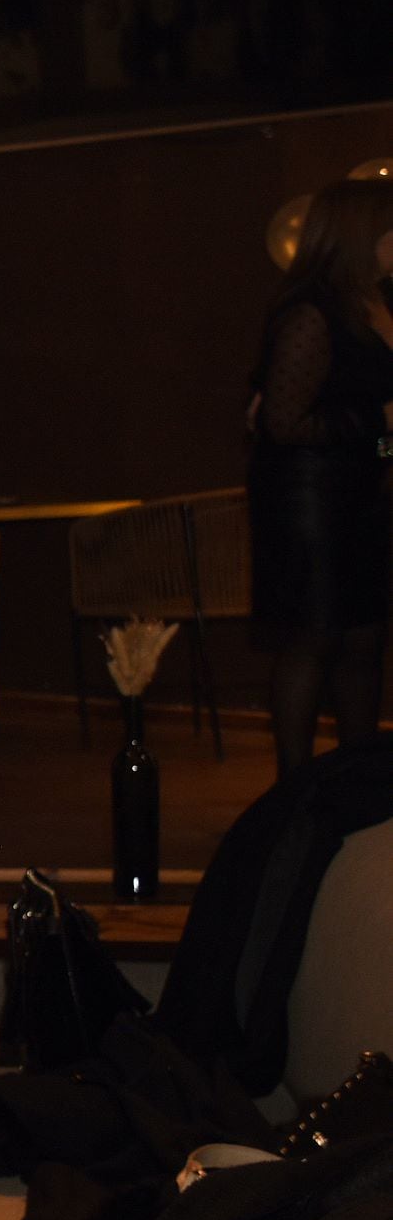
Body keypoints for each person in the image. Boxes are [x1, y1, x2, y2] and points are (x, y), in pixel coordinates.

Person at [249, 176, 393, 777]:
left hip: (365, 492)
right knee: (314, 638)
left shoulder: (379, 299)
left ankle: (357, 784)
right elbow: (282, 421)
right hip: (311, 501)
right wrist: (379, 417)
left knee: (364, 638)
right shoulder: (312, 312)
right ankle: (295, 791)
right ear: (364, 235)